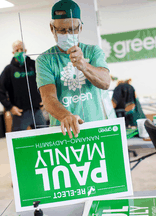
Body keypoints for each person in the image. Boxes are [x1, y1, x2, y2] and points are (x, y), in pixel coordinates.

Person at [36, 0, 115, 138]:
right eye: (61, 30)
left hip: (96, 127)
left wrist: (84, 65)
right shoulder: (45, 60)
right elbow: (48, 98)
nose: (67, 34)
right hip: (64, 130)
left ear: (81, 28)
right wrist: (66, 116)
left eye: (73, 29)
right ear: (52, 28)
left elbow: (105, 82)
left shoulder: (93, 51)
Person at [0, 40, 46, 131]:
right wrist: (10, 107)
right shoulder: (9, 70)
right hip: (20, 114)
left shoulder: (34, 65)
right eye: (17, 50)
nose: (19, 52)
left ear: (25, 50)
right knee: (20, 142)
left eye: (21, 49)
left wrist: (45, 99)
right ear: (13, 52)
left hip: (37, 111)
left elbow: (45, 82)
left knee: (44, 138)